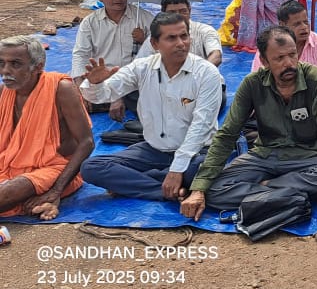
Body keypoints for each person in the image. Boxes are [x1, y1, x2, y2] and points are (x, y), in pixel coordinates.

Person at [180, 26, 317, 218]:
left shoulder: (315, 78)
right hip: (265, 156)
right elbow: (227, 135)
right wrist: (199, 189)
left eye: (292, 55)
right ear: (264, 61)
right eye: (279, 58)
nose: (289, 63)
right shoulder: (252, 84)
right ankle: (288, 195)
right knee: (213, 190)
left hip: (307, 156)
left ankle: (265, 190)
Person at [79, 13, 222, 201]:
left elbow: (201, 126)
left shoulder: (207, 73)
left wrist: (177, 169)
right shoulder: (142, 67)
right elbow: (102, 95)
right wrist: (95, 83)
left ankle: (137, 182)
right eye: (171, 38)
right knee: (90, 168)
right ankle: (166, 190)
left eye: (184, 36)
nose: (181, 43)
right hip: (154, 150)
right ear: (154, 44)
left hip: (196, 152)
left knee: (198, 170)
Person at [0, 36, 93, 220]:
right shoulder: (4, 91)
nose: (5, 71)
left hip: (53, 167)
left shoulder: (61, 89)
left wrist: (55, 191)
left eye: (15, 64)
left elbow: (87, 143)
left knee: (7, 193)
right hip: (7, 163)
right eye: (1, 63)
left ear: (38, 66)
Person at [71, 0, 153, 120]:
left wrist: (144, 40)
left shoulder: (144, 18)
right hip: (102, 78)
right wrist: (79, 86)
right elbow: (81, 54)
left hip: (133, 80)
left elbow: (159, 50)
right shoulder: (90, 22)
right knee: (68, 98)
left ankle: (118, 101)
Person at [250, 0, 317, 120]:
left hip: (314, 107)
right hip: (277, 108)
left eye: (306, 22)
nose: (304, 27)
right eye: (297, 24)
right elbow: (257, 83)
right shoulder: (268, 47)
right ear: (282, 25)